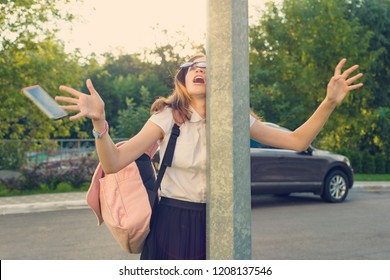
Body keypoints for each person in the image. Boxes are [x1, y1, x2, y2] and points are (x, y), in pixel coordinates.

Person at [56, 54, 363, 259]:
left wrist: (329, 102)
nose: (201, 69)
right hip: (171, 222)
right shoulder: (166, 118)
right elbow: (113, 163)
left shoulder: (234, 118)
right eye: (194, 66)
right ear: (183, 79)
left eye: (207, 66)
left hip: (220, 224)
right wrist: (99, 122)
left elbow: (297, 141)